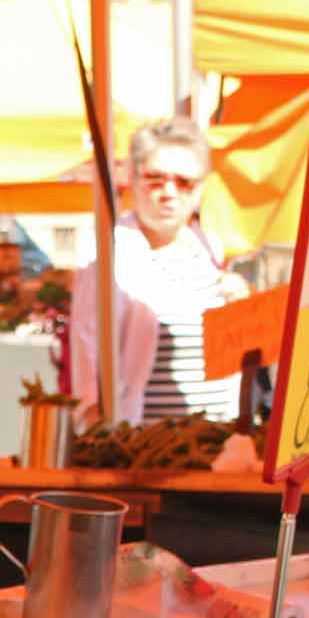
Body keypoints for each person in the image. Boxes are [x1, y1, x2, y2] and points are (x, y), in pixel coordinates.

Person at [70, 117, 249, 428]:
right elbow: (86, 358)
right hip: (144, 446)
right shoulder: (108, 256)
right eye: (155, 178)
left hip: (217, 440)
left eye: (183, 182)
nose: (168, 192)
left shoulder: (210, 252)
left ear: (200, 189)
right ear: (133, 179)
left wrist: (244, 306)